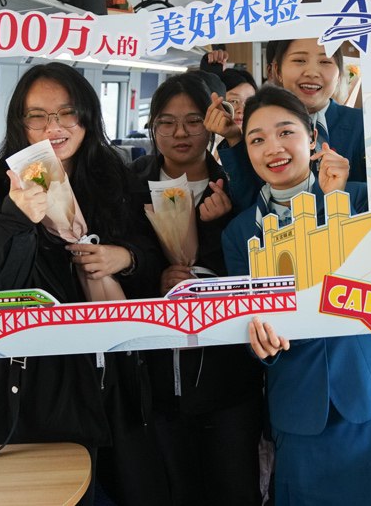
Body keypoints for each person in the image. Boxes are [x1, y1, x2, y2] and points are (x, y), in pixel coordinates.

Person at [0, 62, 165, 505]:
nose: (54, 127)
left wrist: (126, 257)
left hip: (118, 375)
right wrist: (13, 217)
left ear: (87, 116)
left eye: (67, 113)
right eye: (38, 116)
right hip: (39, 383)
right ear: (19, 122)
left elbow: (157, 262)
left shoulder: (117, 181)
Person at [222, 86, 371, 505]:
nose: (273, 148)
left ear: (312, 139)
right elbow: (249, 321)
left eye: (285, 132)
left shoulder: (358, 196)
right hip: (298, 405)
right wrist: (262, 346)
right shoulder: (240, 232)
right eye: (257, 139)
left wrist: (343, 196)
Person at [131, 72, 263, 506]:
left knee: (234, 488)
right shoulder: (129, 186)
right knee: (170, 491)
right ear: (152, 127)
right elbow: (118, 262)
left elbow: (258, 268)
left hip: (227, 378)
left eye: (192, 121)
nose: (180, 133)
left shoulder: (234, 186)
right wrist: (157, 278)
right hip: (153, 379)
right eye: (166, 122)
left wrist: (222, 229)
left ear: (209, 125)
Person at [207, 38, 371, 210]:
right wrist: (234, 138)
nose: (312, 72)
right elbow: (249, 203)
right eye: (299, 60)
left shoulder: (366, 125)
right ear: (277, 71)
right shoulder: (257, 131)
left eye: (325, 62)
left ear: (339, 73)